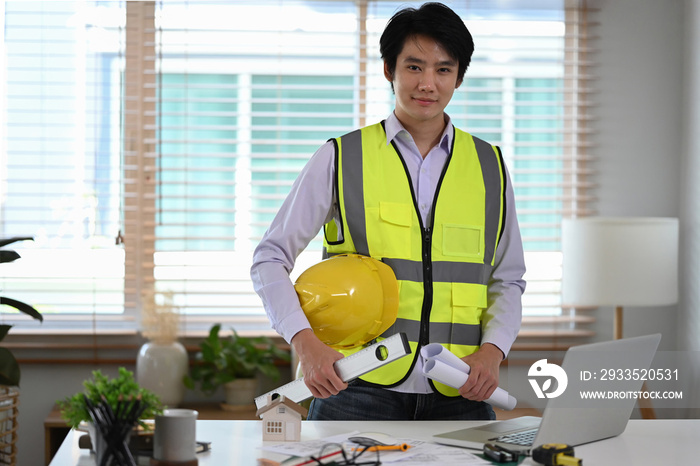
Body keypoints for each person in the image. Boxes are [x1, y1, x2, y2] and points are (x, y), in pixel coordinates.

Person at [250, 2, 526, 421]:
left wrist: (493, 351)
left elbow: (507, 279)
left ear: (459, 77)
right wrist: (304, 342)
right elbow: (269, 259)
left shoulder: (490, 165)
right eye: (414, 67)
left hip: (460, 393)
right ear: (388, 70)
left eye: (443, 70)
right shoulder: (340, 157)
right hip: (356, 390)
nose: (427, 84)